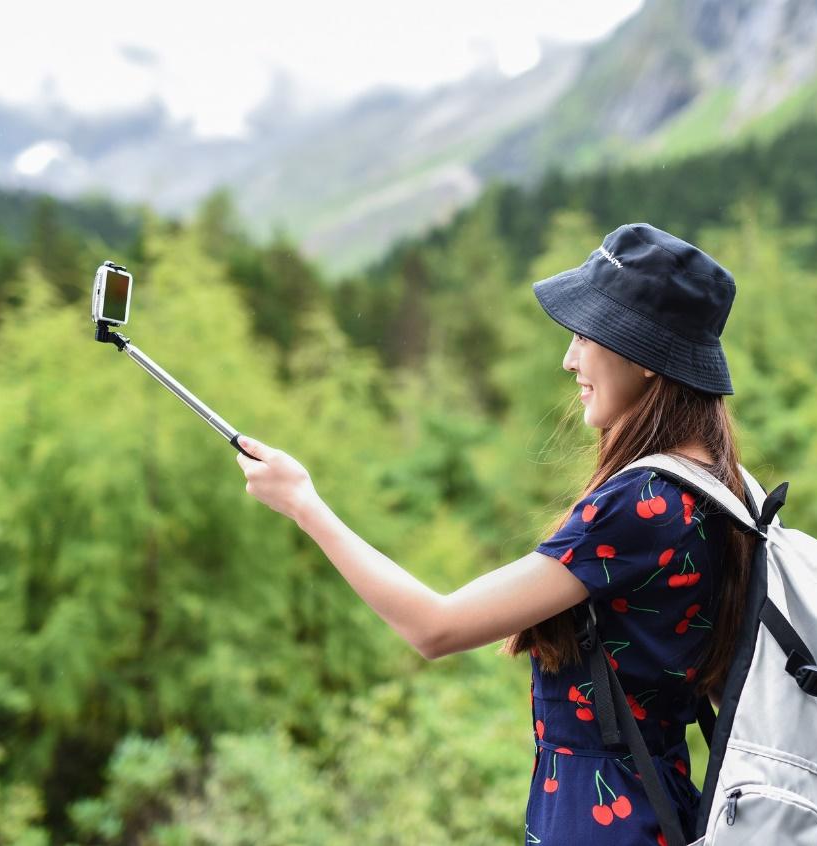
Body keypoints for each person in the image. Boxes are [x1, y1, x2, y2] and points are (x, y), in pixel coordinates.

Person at [234, 223, 754, 845]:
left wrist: (304, 504)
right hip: (660, 804)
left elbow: (435, 627)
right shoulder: (722, 486)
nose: (569, 359)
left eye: (585, 336)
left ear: (643, 357)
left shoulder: (645, 504)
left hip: (603, 821)